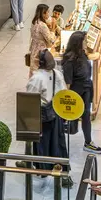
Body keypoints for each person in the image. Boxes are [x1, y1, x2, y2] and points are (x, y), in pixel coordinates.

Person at [26, 49, 72, 187]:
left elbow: (30, 99)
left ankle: (43, 168)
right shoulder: (56, 73)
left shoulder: (36, 78)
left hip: (42, 117)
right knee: (58, 144)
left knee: (42, 144)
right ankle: (63, 172)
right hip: (55, 114)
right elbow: (63, 91)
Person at [62, 31, 101, 154]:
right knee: (74, 117)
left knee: (86, 116)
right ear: (78, 43)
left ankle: (88, 142)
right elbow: (68, 82)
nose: (86, 43)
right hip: (77, 92)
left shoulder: (83, 54)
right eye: (85, 40)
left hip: (86, 89)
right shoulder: (70, 60)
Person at [29, 4, 55, 76]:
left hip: (34, 48)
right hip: (41, 52)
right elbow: (50, 40)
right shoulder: (42, 25)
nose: (48, 14)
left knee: (33, 70)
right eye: (48, 12)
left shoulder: (34, 22)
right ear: (44, 13)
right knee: (40, 72)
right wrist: (52, 31)